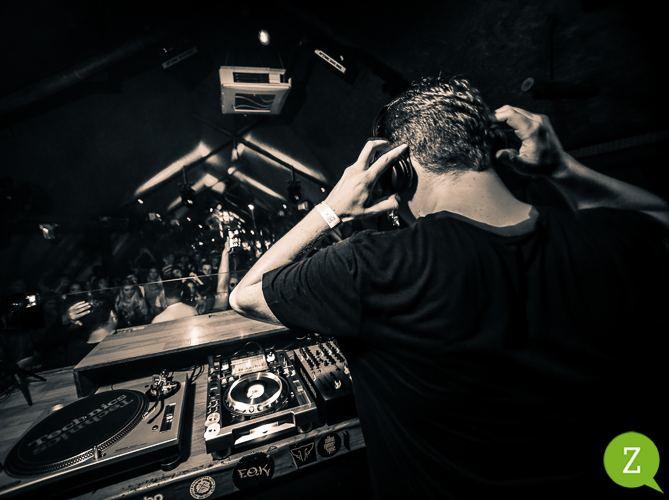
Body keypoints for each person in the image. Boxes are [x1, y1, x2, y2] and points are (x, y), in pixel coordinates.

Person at [230, 76, 669, 498]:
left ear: (397, 170)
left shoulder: (372, 264)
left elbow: (246, 294)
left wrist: (332, 208)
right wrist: (562, 167)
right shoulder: (601, 240)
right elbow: (657, 218)